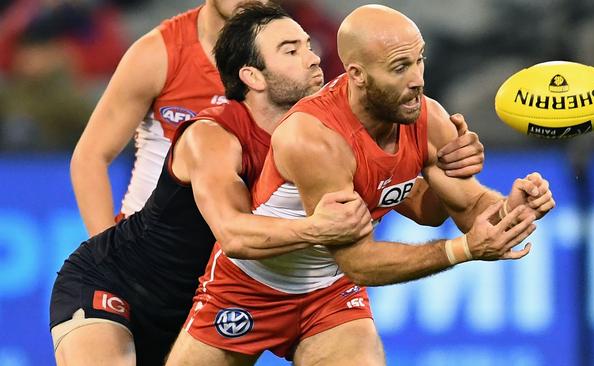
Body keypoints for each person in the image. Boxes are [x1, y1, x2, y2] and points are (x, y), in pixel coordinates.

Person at [50, 3, 487, 365]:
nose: (314, 58)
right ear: (253, 76)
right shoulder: (213, 134)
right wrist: (315, 229)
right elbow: (234, 234)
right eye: (290, 51)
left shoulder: (324, 133)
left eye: (308, 46)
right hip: (120, 282)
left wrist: (444, 164)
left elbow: (423, 211)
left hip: (224, 290)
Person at [168, 4, 555, 366]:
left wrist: (509, 209)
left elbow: (461, 207)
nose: (417, 80)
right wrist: (464, 250)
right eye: (399, 67)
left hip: (329, 294)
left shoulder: (427, 116)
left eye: (419, 60)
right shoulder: (314, 137)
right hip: (249, 287)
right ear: (356, 74)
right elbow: (359, 262)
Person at [70, 0, 268, 236]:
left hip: (237, 256)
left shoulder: (291, 57)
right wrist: (104, 254)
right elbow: (90, 157)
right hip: (148, 251)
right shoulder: (157, 54)